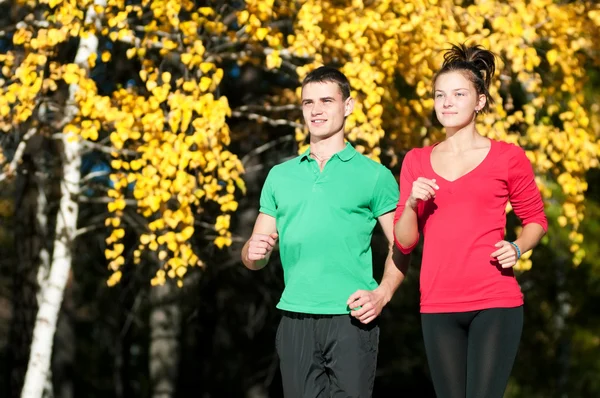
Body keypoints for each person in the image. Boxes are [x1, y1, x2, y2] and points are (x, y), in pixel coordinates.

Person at [242, 66, 408, 397]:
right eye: (308, 103)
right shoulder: (279, 176)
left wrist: (382, 293)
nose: (316, 110)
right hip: (295, 319)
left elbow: (402, 245)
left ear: (348, 105)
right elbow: (253, 256)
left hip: (352, 317)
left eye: (327, 100)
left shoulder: (374, 176)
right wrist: (253, 252)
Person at [393, 44, 547, 398]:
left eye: (458, 94)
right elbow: (404, 241)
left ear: (479, 101)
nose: (446, 102)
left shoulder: (508, 157)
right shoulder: (416, 161)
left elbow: (535, 219)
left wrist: (517, 246)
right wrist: (413, 201)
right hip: (436, 303)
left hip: (495, 300)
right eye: (439, 95)